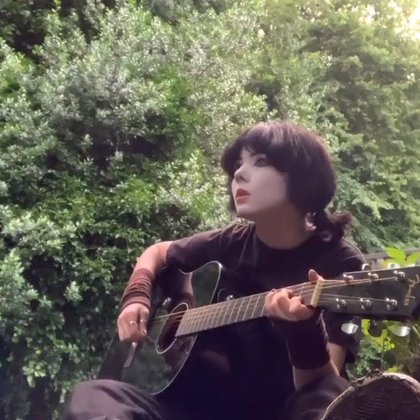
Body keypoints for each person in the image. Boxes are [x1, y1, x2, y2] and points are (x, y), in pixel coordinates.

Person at [63, 121, 418, 420]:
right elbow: (157, 253)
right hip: (191, 404)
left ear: (303, 177)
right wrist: (137, 296)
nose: (239, 174)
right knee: (92, 397)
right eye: (237, 164)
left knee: (328, 393)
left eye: (260, 161)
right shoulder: (231, 241)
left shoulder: (340, 263)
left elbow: (323, 383)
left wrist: (302, 332)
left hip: (275, 410)